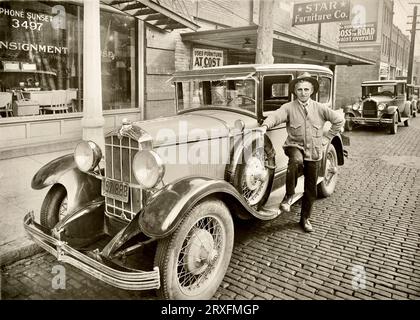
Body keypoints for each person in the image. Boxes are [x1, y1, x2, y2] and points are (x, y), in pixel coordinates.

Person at [260, 72, 344, 232]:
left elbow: (339, 120)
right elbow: (276, 116)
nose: (303, 92)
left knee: (310, 188)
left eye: (306, 89)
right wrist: (264, 126)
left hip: (314, 151)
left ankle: (305, 218)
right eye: (299, 90)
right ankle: (289, 195)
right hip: (294, 146)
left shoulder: (320, 108)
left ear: (312, 91)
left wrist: (327, 138)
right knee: (296, 161)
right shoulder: (288, 107)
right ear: (295, 91)